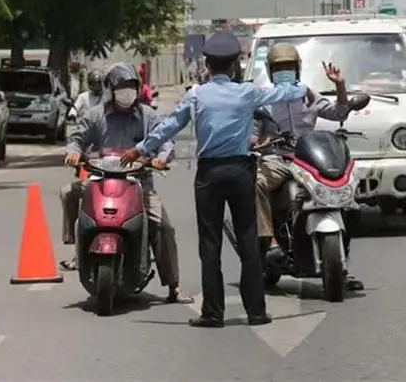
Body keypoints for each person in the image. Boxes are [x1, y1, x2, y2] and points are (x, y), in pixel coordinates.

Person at [120, 31, 308, 328]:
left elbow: (169, 125)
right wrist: (302, 83)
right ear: (235, 66)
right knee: (248, 243)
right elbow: (288, 93)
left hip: (209, 175)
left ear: (207, 65)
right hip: (241, 172)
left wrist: (140, 148)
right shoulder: (246, 93)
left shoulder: (196, 95)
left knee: (210, 245)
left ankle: (213, 313)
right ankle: (256, 312)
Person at [60, 62, 193, 304]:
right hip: (100, 181)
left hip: (138, 184)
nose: (127, 91)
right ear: (111, 89)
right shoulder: (95, 115)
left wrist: (162, 157)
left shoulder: (148, 116)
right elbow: (77, 138)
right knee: (68, 192)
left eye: (131, 86)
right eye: (121, 87)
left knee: (162, 226)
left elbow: (165, 140)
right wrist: (73, 152)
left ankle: (173, 286)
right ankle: (76, 245)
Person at [252, 42, 365, 291]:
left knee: (344, 196)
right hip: (278, 160)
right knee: (257, 183)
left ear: (298, 69)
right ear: (271, 71)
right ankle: (270, 242)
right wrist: (259, 141)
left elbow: (339, 113)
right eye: (279, 67)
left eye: (289, 67)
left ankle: (341, 266)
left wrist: (340, 84)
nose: (285, 71)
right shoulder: (264, 101)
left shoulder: (308, 95)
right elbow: (253, 134)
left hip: (308, 159)